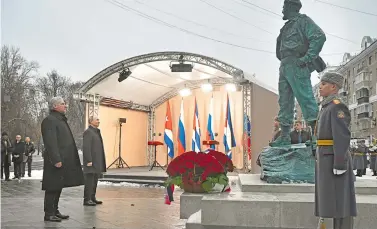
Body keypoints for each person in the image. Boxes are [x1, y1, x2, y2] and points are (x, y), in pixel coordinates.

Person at [271, 0, 326, 146]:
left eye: (284, 7)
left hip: (297, 63)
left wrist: (307, 58)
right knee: (284, 101)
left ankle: (315, 136)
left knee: (305, 98)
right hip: (285, 64)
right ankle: (284, 136)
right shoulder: (286, 27)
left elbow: (319, 37)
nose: (282, 10)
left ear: (291, 7)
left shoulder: (303, 21)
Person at [314, 72, 356, 229]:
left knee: (340, 201)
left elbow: (342, 136)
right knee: (331, 201)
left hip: (333, 160)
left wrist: (339, 163)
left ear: (334, 87)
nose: (320, 87)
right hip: (326, 158)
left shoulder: (337, 106)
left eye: (324, 84)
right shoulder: (326, 106)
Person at [41, 97, 84, 222]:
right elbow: (50, 142)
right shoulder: (49, 120)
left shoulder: (59, 120)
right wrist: (56, 159)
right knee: (52, 186)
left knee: (58, 185)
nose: (66, 106)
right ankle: (49, 213)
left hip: (63, 159)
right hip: (55, 160)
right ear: (54, 106)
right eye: (62, 104)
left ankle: (55, 211)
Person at [82, 116, 106, 206]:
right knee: (89, 181)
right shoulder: (88, 132)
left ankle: (92, 198)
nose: (98, 121)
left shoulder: (96, 132)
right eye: (97, 120)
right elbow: (86, 147)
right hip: (91, 161)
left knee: (95, 180)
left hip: (97, 161)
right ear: (91, 121)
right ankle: (87, 199)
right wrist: (89, 160)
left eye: (99, 120)